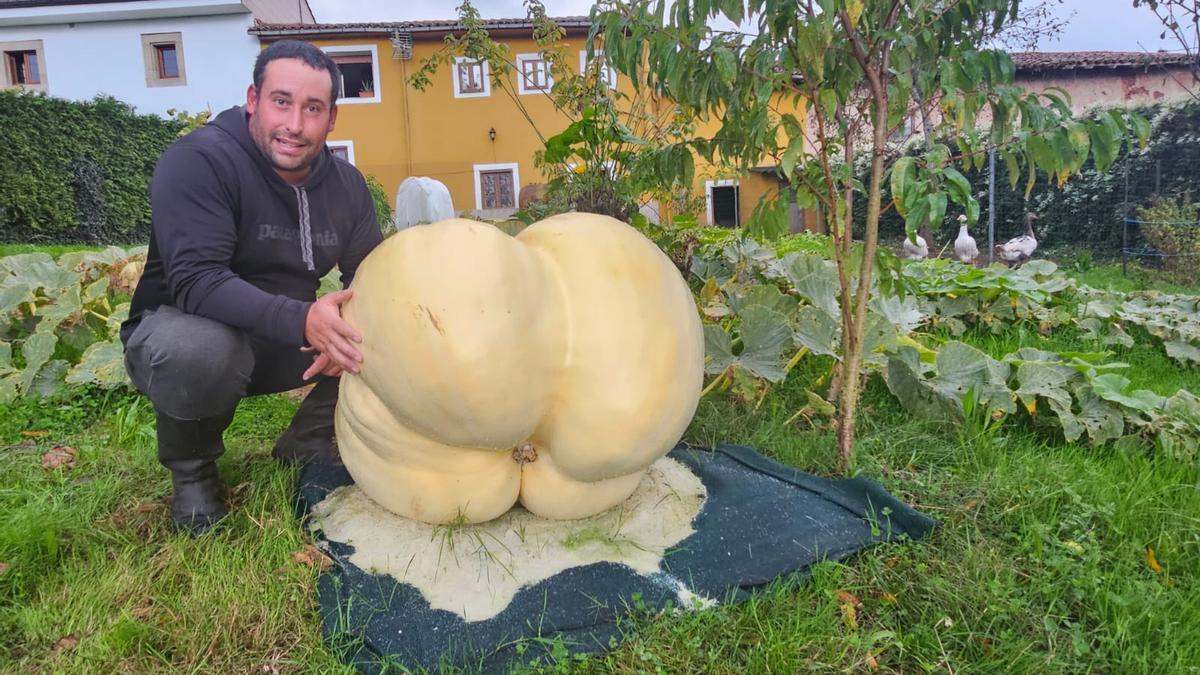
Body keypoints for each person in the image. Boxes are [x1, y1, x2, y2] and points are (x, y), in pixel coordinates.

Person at [120, 39, 384, 534]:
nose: (294, 125)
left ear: (331, 120)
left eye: (313, 109)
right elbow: (196, 281)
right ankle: (194, 474)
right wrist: (304, 318)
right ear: (253, 100)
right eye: (281, 101)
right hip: (183, 331)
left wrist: (348, 327)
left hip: (282, 339)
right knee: (199, 349)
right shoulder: (199, 161)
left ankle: (309, 440)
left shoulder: (347, 187)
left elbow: (373, 275)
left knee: (391, 330)